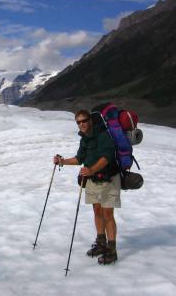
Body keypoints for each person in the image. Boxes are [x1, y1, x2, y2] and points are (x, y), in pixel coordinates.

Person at [54, 109, 121, 265]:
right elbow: (79, 159)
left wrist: (91, 169)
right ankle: (101, 243)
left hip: (109, 178)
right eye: (79, 122)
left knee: (108, 214)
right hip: (92, 179)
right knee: (97, 211)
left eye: (84, 121)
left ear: (90, 121)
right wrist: (62, 161)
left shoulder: (103, 135)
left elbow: (107, 157)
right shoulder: (84, 138)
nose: (82, 124)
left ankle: (112, 251)